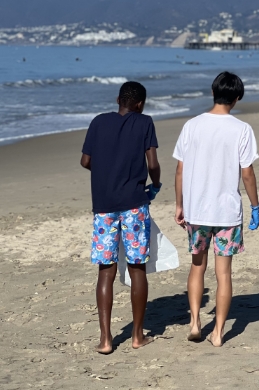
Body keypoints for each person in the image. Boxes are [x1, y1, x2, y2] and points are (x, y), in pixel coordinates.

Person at [173, 71, 259, 347]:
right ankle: (219, 332)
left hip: (196, 209)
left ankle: (196, 321)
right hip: (226, 212)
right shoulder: (242, 129)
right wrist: (255, 205)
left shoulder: (192, 125)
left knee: (197, 266)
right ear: (236, 98)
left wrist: (179, 203)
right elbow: (247, 172)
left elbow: (180, 169)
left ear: (213, 93)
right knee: (224, 274)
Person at [80, 81, 162, 354]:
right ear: (140, 104)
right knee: (137, 267)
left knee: (106, 269)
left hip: (104, 205)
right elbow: (152, 163)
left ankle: (105, 339)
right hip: (134, 205)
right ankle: (138, 336)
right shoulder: (144, 122)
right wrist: (156, 185)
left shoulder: (98, 122)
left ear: (118, 99)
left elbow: (85, 161)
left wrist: (107, 168)